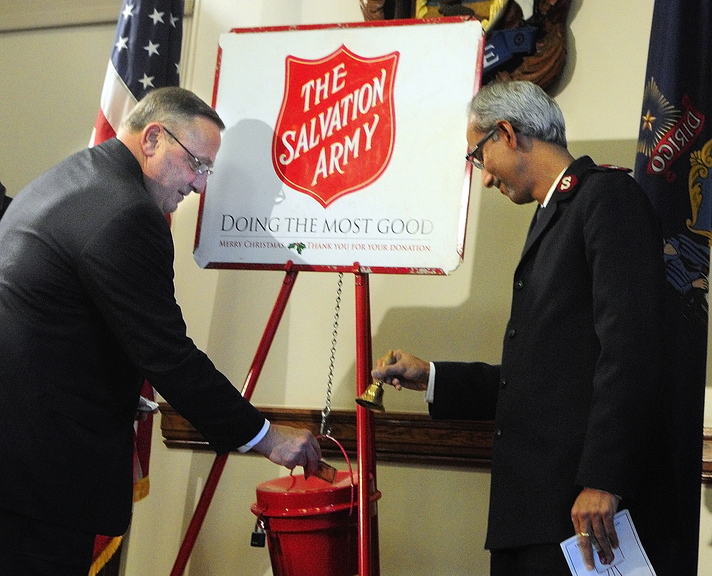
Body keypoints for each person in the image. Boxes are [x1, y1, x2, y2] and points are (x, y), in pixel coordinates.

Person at [0, 87, 321, 576]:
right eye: (197, 163)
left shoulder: (74, 176)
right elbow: (169, 355)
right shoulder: (126, 211)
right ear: (153, 138)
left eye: (207, 169)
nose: (198, 184)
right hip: (40, 484)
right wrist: (266, 437)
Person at [372, 80, 680, 576]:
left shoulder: (606, 199)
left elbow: (631, 350)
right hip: (537, 511)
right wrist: (432, 377)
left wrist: (603, 478)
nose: (486, 178)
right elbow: (543, 378)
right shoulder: (555, 215)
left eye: (478, 155)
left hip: (579, 510)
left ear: (507, 133)